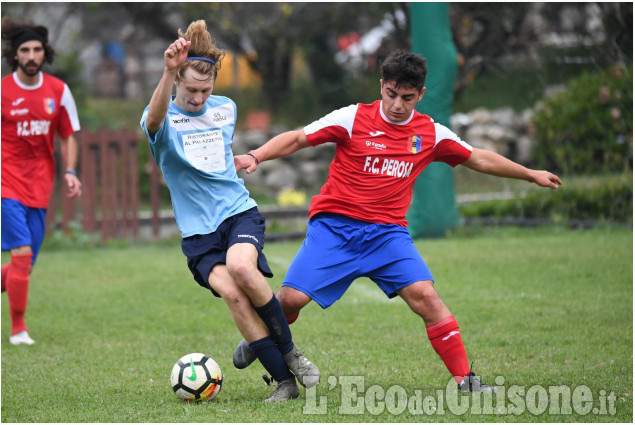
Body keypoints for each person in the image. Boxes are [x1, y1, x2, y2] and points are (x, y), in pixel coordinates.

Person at [232, 50, 563, 392]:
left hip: (388, 237)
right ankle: (263, 332)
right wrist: (256, 154)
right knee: (289, 301)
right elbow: (300, 138)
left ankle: (467, 381)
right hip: (335, 229)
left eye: (407, 98)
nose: (397, 105)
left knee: (427, 297)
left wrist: (529, 174)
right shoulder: (352, 118)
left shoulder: (430, 133)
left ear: (420, 95)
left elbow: (477, 157)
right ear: (381, 87)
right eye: (391, 94)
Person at [139, 20, 319, 402]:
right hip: (198, 234)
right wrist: (169, 69)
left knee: (241, 269)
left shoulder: (226, 108)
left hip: (238, 212)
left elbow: (217, 154)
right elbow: (154, 121)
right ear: (176, 83)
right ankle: (285, 383)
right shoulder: (162, 118)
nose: (198, 97)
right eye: (190, 89)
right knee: (233, 296)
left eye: (205, 89)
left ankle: (290, 353)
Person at [1, 17, 83, 346]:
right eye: (25, 50)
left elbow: (68, 136)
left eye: (36, 49)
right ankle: (18, 329)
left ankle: (19, 323)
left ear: (44, 53)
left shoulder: (59, 91)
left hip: (40, 187)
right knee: (21, 255)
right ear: (15, 55)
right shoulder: (3, 91)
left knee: (25, 265)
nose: (31, 55)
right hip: (6, 184)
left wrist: (70, 171)